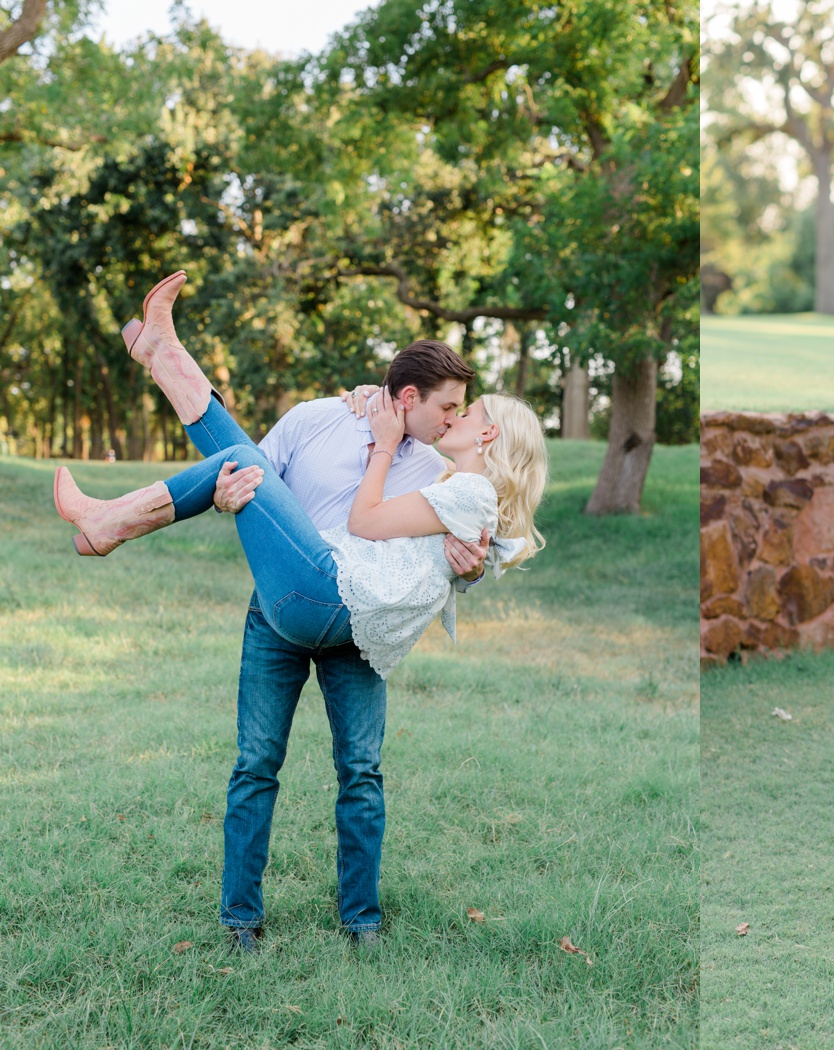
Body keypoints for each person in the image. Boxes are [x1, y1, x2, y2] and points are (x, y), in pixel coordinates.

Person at [53, 271, 546, 953]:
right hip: (285, 606)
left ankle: (362, 921)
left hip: (353, 626)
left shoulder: (437, 468)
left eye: (465, 412)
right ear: (409, 397)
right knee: (255, 763)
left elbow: (445, 551)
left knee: (361, 772)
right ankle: (239, 921)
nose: (455, 419)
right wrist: (226, 498)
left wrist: (471, 568)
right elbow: (252, 480)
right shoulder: (323, 417)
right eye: (451, 406)